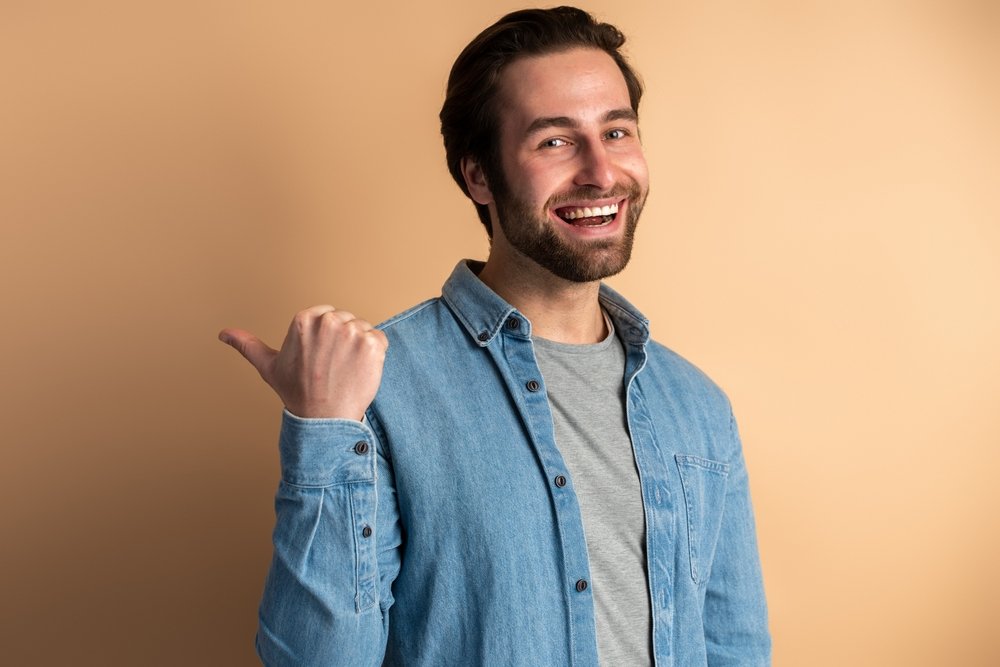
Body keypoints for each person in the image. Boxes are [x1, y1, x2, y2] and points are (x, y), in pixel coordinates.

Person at [220, 6, 771, 666]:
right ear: (478, 174)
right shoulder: (377, 388)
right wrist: (323, 433)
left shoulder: (698, 407)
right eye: (554, 142)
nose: (601, 172)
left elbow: (734, 649)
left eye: (617, 131)